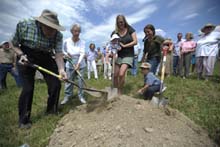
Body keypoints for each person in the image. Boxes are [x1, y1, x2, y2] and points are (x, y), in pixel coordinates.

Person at [11, 9, 67, 129]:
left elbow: (58, 54)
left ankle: (51, 110)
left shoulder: (58, 35)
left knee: (55, 83)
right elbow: (14, 44)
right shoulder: (24, 25)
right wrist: (21, 55)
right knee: (28, 88)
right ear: (41, 23)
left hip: (45, 56)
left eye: (54, 28)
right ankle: (24, 120)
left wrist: (61, 70)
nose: (52, 32)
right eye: (49, 28)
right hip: (26, 54)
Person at [61, 24, 86, 105]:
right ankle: (67, 96)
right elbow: (63, 50)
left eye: (79, 31)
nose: (77, 33)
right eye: (75, 31)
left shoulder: (82, 42)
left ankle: (81, 96)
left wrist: (78, 63)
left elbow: (82, 53)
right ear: (71, 31)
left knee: (80, 81)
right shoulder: (66, 41)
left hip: (80, 63)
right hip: (70, 62)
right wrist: (66, 54)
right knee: (69, 80)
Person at [112, 15, 137, 95]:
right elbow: (112, 43)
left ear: (124, 21)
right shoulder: (115, 33)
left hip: (129, 55)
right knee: (115, 74)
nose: (120, 24)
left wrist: (125, 46)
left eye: (122, 22)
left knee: (121, 73)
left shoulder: (130, 29)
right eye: (119, 22)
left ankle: (120, 91)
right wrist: (115, 48)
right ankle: (114, 91)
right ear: (117, 23)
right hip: (119, 55)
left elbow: (135, 41)